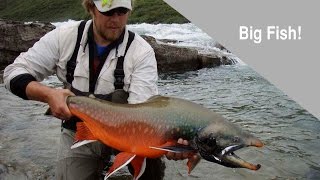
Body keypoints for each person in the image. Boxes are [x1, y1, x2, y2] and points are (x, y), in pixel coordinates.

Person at [3, 0, 191, 179]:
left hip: (128, 134)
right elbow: (13, 73)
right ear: (91, 8)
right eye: (108, 12)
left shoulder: (142, 52)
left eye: (122, 12)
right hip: (80, 131)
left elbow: (142, 115)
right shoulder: (64, 37)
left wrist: (170, 144)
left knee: (150, 168)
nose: (116, 19)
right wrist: (48, 94)